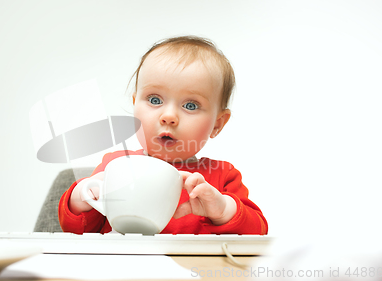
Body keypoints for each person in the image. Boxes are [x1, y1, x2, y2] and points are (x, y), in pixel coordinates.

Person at [58, 36, 268, 235]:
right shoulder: (114, 165)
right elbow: (76, 228)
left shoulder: (222, 176)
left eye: (190, 105)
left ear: (217, 124)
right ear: (135, 106)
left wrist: (222, 210)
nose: (168, 116)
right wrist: (82, 197)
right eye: (155, 100)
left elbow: (258, 230)